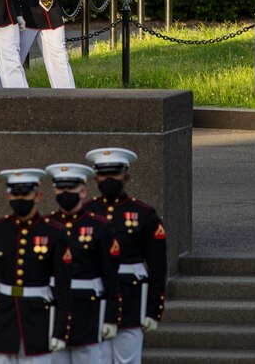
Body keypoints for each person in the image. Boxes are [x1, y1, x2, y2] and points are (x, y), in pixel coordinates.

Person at [0, 169, 71, 364]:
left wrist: (61, 330)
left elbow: (63, 286)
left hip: (39, 321)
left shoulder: (54, 232)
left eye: (25, 194)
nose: (20, 198)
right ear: (8, 195)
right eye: (15, 194)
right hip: (4, 318)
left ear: (38, 196)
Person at [82, 148, 166, 364]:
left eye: (114, 173)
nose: (109, 179)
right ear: (95, 177)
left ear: (126, 176)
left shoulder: (144, 214)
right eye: (103, 174)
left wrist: (153, 309)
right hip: (93, 300)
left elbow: (157, 266)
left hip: (131, 299)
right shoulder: (86, 212)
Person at [44, 164, 120, 364]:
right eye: (61, 188)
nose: (66, 193)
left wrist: (111, 316)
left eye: (71, 188)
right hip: (54, 306)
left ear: (83, 191)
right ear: (54, 190)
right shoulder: (46, 225)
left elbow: (110, 276)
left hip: (88, 309)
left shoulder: (101, 227)